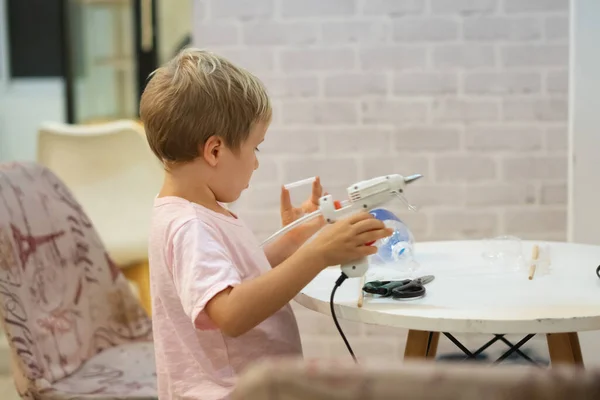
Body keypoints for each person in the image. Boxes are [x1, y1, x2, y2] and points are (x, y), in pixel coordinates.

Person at [140, 47, 392, 400]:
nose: (256, 164)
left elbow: (237, 276)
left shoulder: (193, 211)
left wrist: (297, 236)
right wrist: (317, 254)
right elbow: (231, 312)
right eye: (255, 148)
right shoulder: (189, 225)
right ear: (214, 151)